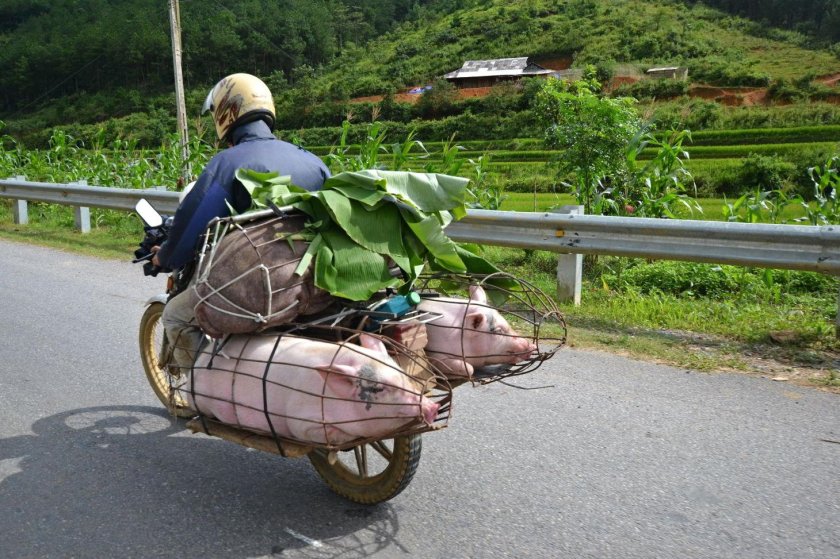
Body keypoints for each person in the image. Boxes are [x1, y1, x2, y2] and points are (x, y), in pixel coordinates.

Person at [151, 72, 330, 369]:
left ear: (226, 112)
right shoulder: (312, 160)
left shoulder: (227, 163)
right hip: (316, 279)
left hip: (257, 285)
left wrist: (166, 258)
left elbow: (191, 227)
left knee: (175, 315)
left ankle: (201, 396)